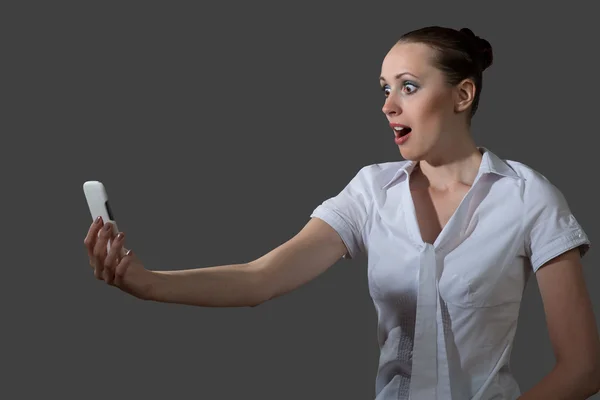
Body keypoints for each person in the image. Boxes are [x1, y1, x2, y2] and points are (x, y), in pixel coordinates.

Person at [84, 26, 600, 399]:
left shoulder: (529, 197)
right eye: (384, 89)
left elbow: (582, 369)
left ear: (463, 94)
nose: (388, 105)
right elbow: (260, 279)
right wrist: (146, 283)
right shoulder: (371, 191)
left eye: (409, 86)